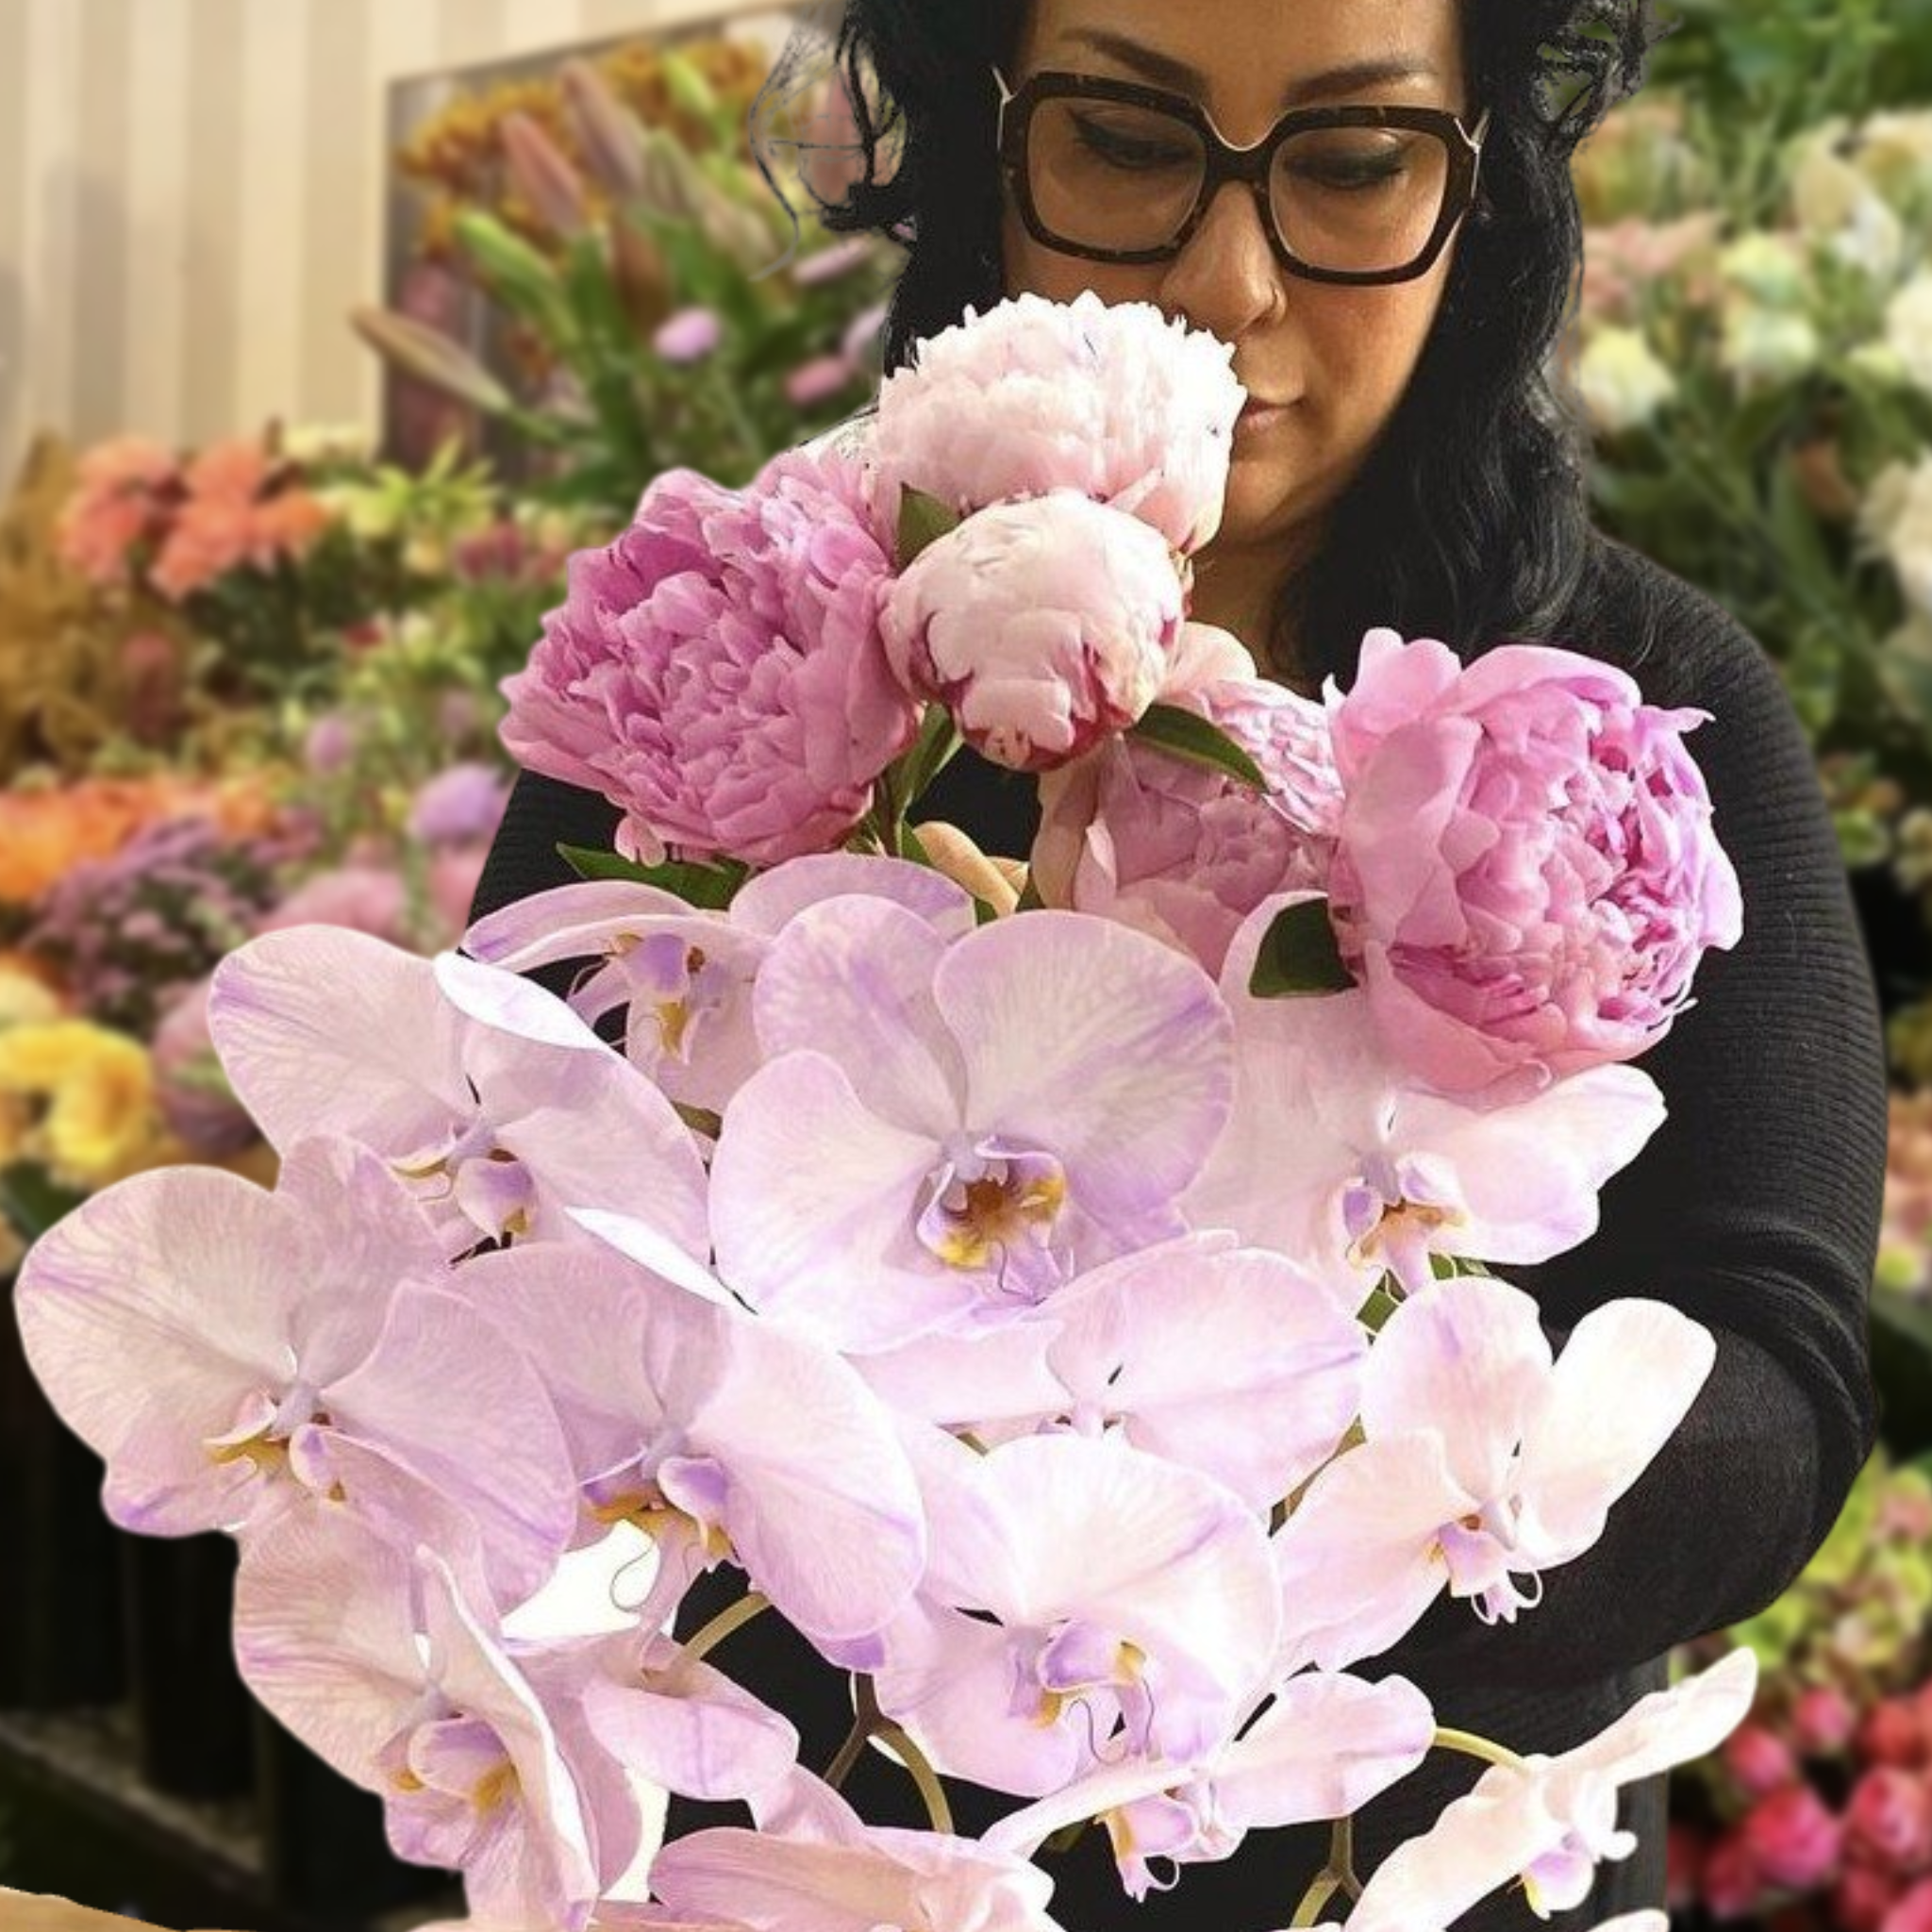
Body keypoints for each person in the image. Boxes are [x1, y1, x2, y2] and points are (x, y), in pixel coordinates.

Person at [468, 2, 1889, 1925]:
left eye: (1354, 160)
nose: (1228, 277)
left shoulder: (1637, 718)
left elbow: (1779, 1385)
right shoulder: (744, 656)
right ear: (988, 136)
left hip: (1400, 1861)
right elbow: (509, 1251)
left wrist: (1313, 1514)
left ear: (1488, 180)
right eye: (1127, 142)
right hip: (833, 1849)